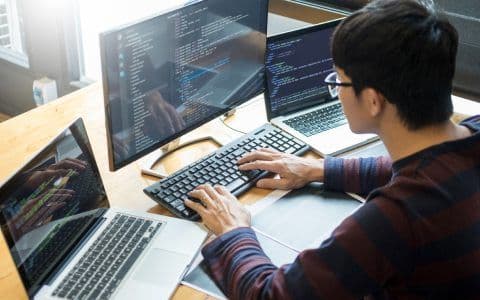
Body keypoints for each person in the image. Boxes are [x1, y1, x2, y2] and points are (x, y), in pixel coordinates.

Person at [184, 0, 480, 298]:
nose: (336, 90)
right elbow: (426, 170)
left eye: (340, 81)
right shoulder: (470, 135)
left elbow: (274, 295)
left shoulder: (396, 217)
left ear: (374, 101)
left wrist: (234, 231)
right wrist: (319, 169)